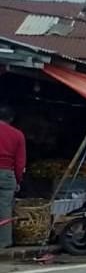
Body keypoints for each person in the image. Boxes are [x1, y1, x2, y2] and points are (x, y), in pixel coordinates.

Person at [0, 105, 25, 249]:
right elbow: (20, 161)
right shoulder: (17, 134)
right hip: (7, 174)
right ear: (11, 119)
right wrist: (18, 179)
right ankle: (4, 242)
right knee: (5, 208)